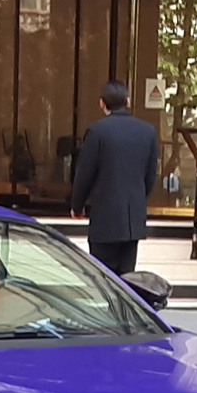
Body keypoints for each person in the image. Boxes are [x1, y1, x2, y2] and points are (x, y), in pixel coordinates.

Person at [67, 79, 157, 276]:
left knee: (104, 278)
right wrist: (138, 198)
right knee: (127, 278)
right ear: (128, 101)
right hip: (133, 219)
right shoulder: (147, 131)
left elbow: (85, 173)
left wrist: (77, 205)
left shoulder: (97, 131)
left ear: (102, 103)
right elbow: (151, 176)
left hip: (105, 218)